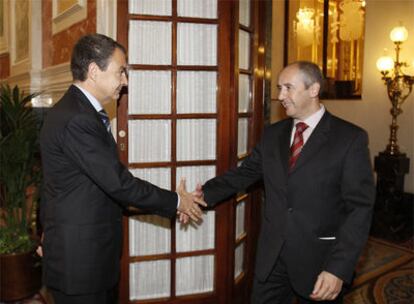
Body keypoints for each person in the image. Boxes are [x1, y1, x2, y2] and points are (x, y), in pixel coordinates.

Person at [39, 34, 205, 304]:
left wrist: (45, 229)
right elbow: (119, 184)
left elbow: (55, 183)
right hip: (81, 262)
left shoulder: (74, 111)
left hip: (82, 255)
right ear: (94, 71)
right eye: (121, 72)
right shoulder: (77, 119)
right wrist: (177, 200)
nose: (125, 81)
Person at [195, 61, 375, 303]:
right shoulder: (273, 134)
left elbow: (359, 210)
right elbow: (244, 173)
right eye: (280, 88)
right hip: (272, 258)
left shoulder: (350, 138)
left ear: (314, 90)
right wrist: (201, 196)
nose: (280, 96)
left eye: (288, 88)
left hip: (320, 263)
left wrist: (338, 268)